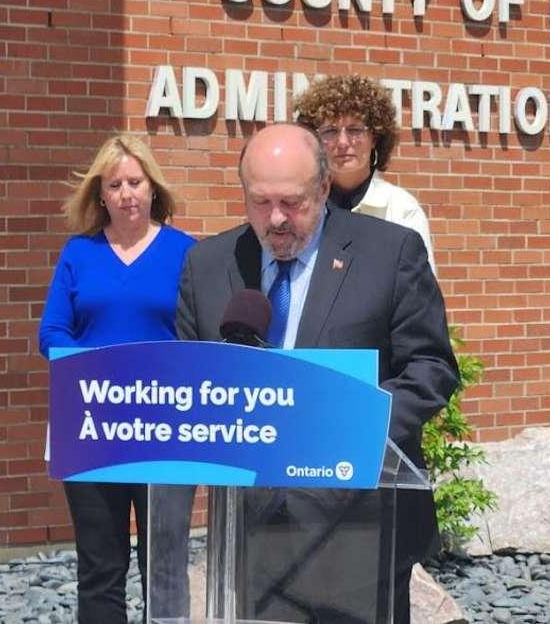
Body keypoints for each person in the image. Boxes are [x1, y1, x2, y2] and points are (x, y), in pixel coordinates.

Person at [176, 124, 458, 623]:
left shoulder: (390, 253)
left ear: (324, 189)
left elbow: (431, 369)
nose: (277, 219)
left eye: (293, 202)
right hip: (252, 521)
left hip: (362, 518)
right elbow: (189, 381)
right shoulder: (207, 265)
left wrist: (347, 427)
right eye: (260, 203)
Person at [39, 134, 197, 624]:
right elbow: (52, 332)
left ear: (153, 189)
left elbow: (198, 336)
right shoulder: (78, 253)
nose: (127, 193)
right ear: (100, 194)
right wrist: (99, 371)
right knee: (100, 566)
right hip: (92, 424)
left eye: (136, 181)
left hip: (166, 427)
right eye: (115, 184)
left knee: (165, 566)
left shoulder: (186, 253)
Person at [294, 74, 437, 274]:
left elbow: (420, 298)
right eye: (330, 131)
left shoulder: (401, 210)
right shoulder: (300, 206)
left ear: (375, 137)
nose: (343, 142)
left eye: (355, 130)